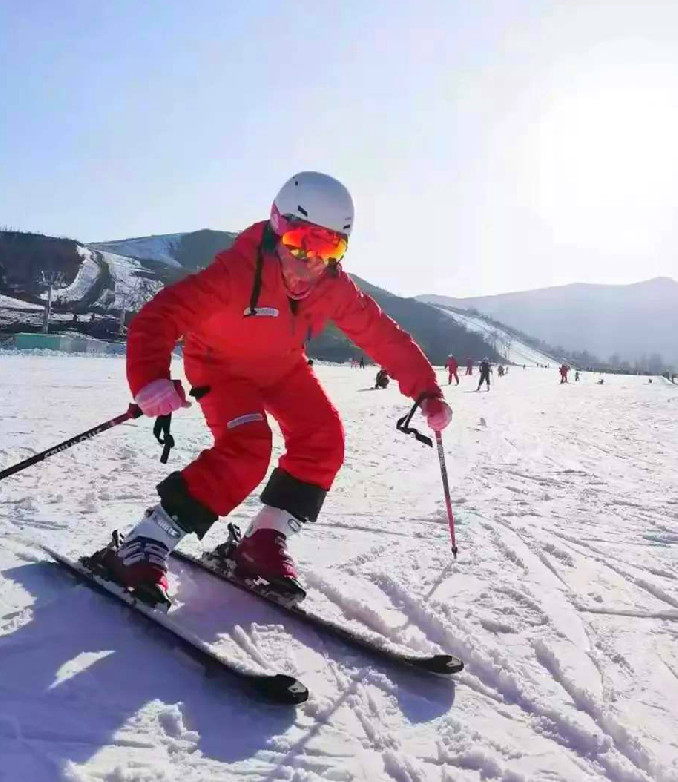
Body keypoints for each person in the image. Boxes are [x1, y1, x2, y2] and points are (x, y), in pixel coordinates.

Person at [89, 171, 453, 604]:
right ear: (277, 225)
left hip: (283, 370)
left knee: (324, 439)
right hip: (222, 369)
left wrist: (427, 390)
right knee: (248, 446)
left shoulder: (333, 287)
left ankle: (264, 539)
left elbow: (382, 335)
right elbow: (160, 317)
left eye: (330, 248)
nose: (311, 262)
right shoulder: (236, 273)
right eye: (302, 241)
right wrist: (149, 377)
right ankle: (146, 542)